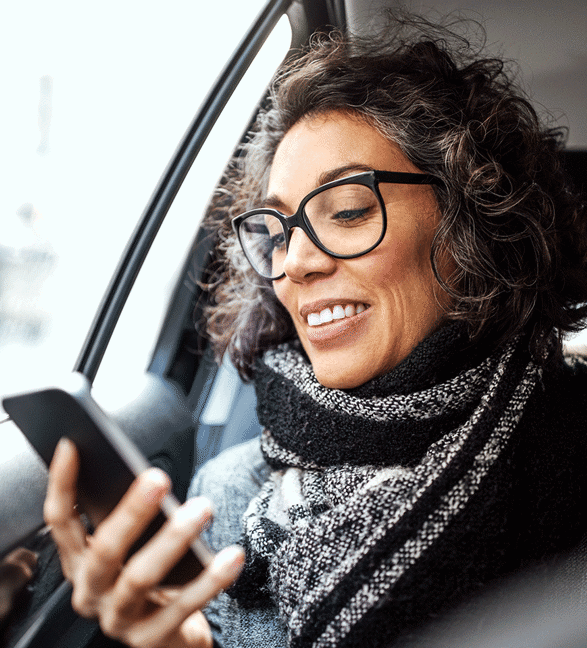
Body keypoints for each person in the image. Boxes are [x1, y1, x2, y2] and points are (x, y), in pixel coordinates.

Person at [44, 12, 587, 648]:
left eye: (350, 211)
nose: (295, 262)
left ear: (471, 228)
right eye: (274, 234)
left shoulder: (571, 456)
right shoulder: (227, 491)